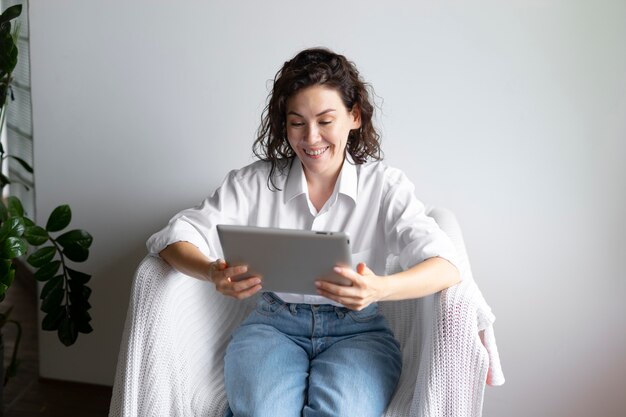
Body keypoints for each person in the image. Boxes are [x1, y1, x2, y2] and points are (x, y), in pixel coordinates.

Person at [147, 47, 462, 417]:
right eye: (297, 123)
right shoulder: (254, 182)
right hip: (272, 326)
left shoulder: (384, 185)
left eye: (326, 121)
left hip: (359, 333)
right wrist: (211, 272)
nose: (311, 138)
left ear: (354, 117)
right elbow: (172, 238)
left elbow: (446, 266)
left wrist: (380, 288)